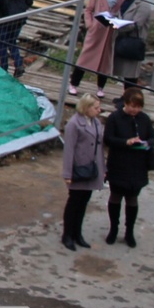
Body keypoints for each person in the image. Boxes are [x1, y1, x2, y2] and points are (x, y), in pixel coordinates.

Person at [103, 87, 154, 248]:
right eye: (132, 106)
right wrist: (126, 142)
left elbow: (153, 137)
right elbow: (108, 139)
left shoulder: (144, 119)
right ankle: (113, 229)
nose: (135, 110)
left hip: (137, 165)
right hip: (119, 163)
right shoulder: (115, 118)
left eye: (138, 107)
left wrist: (147, 143)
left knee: (132, 199)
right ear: (125, 104)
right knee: (116, 196)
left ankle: (129, 232)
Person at [60, 93, 104, 251]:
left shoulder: (96, 123)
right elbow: (69, 149)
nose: (99, 110)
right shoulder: (74, 124)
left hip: (91, 170)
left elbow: (99, 148)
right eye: (96, 107)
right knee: (74, 203)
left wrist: (102, 170)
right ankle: (67, 235)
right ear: (86, 108)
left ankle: (77, 233)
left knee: (84, 202)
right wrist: (67, 173)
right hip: (78, 169)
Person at [68, 0, 122, 98]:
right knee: (85, 58)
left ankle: (101, 87)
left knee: (105, 61)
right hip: (96, 30)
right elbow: (88, 10)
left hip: (109, 32)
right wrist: (90, 25)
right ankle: (73, 84)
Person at [112, 0, 153, 91]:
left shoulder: (143, 5)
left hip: (133, 42)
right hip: (122, 39)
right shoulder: (126, 0)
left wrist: (117, 26)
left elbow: (136, 24)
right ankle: (126, 97)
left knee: (130, 74)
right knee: (123, 72)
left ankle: (129, 97)